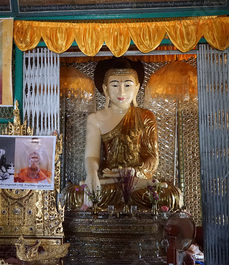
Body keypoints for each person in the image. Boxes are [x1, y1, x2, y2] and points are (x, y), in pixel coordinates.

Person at [64, 57, 180, 210]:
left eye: (127, 85)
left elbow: (152, 157)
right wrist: (91, 173)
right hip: (109, 183)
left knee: (170, 195)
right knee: (72, 196)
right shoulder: (95, 118)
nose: (121, 91)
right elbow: (91, 156)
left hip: (138, 183)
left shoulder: (146, 116)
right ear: (105, 89)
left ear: (137, 88)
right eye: (115, 85)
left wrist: (135, 171)